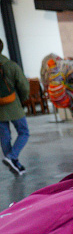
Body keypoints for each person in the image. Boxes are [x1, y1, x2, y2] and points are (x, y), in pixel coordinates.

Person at [0, 40, 30, 175]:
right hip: (13, 105)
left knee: (4, 136)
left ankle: (14, 163)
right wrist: (22, 99)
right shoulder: (11, 66)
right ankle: (12, 157)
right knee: (24, 132)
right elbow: (24, 86)